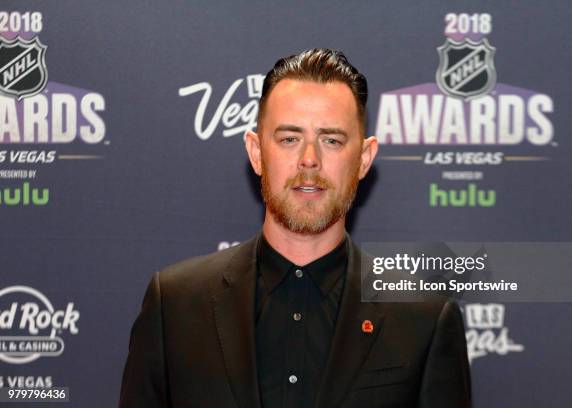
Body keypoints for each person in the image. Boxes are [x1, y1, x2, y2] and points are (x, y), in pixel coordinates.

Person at [119, 48, 471, 408]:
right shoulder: (176, 305)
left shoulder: (424, 316)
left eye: (331, 140)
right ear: (256, 152)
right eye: (289, 138)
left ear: (364, 159)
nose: (309, 159)